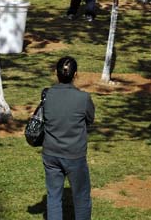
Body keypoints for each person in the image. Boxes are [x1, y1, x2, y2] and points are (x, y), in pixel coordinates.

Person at [41, 56, 95, 220]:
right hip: (74, 155)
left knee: (53, 197)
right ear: (76, 74)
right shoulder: (83, 98)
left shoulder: (47, 95)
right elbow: (90, 119)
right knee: (81, 197)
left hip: (50, 153)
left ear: (55, 73)